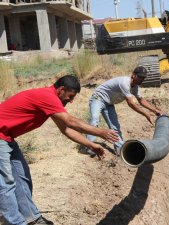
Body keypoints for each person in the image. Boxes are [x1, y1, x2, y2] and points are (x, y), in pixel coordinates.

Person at [0, 75, 118, 225]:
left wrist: (91, 145)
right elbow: (70, 121)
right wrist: (100, 132)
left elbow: (66, 129)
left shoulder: (51, 102)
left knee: (22, 177)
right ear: (61, 90)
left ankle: (31, 218)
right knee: (6, 183)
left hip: (6, 137)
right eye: (70, 96)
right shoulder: (47, 97)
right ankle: (14, 222)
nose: (71, 100)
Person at [83, 66, 162, 156]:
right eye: (140, 77)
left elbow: (141, 100)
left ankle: (120, 150)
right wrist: (146, 114)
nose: (142, 79)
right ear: (133, 75)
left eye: (143, 77)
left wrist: (155, 110)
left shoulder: (135, 86)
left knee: (115, 127)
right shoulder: (125, 83)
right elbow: (131, 104)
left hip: (109, 103)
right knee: (94, 119)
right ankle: (90, 146)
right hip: (98, 98)